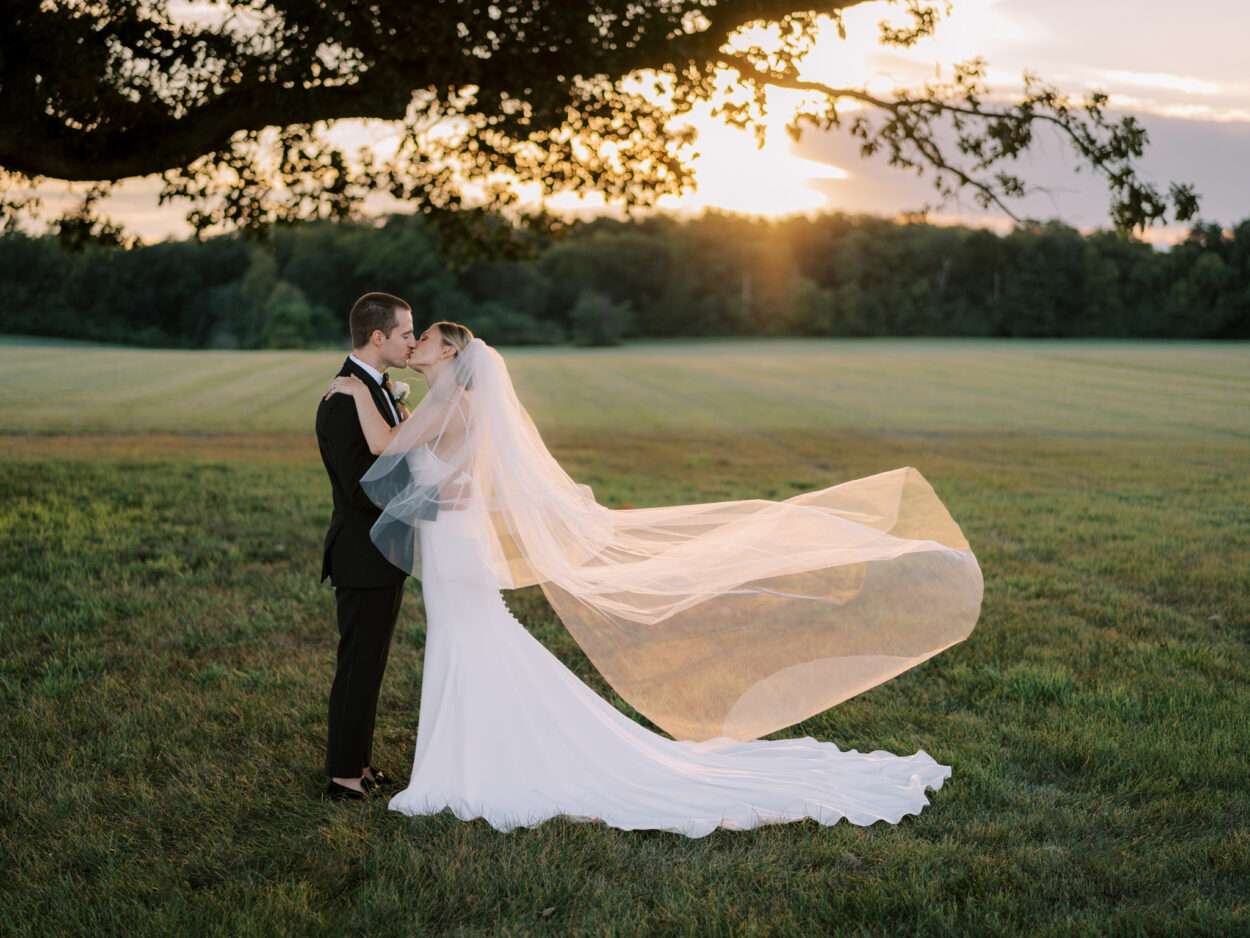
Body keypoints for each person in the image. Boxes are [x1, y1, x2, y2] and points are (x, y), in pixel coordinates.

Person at [323, 323, 984, 835]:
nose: (416, 345)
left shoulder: (452, 404)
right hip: (451, 541)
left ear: (450, 353)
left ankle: (474, 763)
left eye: (427, 339)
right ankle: (463, 755)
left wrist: (355, 391)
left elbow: (384, 447)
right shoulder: (444, 401)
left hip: (456, 548)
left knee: (472, 639)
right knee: (469, 640)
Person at [314, 292, 416, 801]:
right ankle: (343, 776)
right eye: (405, 334)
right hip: (363, 553)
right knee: (357, 666)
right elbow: (359, 490)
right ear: (378, 337)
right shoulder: (342, 400)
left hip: (384, 554)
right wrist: (420, 502)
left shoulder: (376, 390)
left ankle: (359, 761)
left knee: (370, 665)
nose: (411, 343)